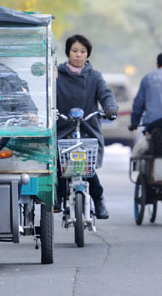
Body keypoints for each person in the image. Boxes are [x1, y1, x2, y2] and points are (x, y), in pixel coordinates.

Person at [56, 34, 118, 219]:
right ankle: (58, 198)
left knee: (86, 166)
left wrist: (110, 107)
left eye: (82, 51)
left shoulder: (94, 76)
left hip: (87, 128)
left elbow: (106, 94)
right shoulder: (56, 74)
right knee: (60, 164)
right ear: (68, 52)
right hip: (62, 127)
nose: (78, 55)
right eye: (74, 51)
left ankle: (98, 199)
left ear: (87, 54)